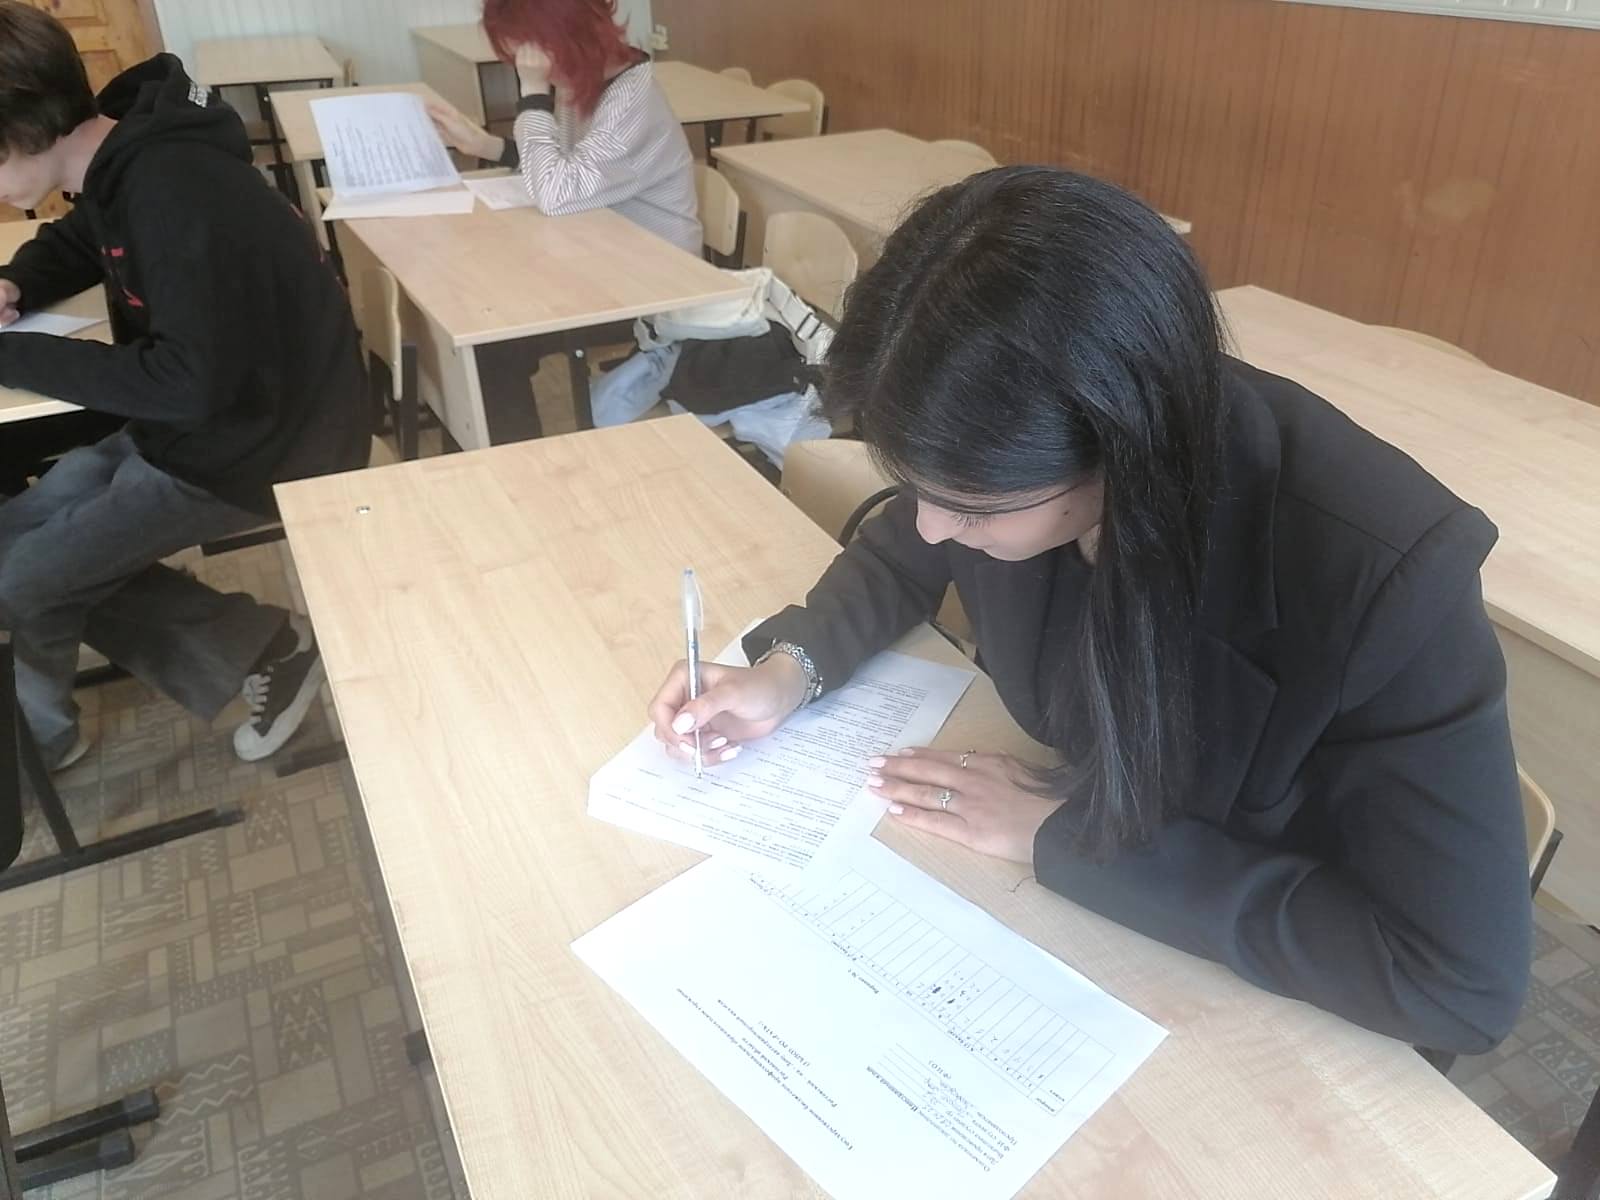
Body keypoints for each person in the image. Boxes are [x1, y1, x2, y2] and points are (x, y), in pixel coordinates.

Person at [647, 166, 1533, 1056]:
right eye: (916, 485)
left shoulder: (1385, 579)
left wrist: (1062, 839)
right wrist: (789, 671)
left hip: (1242, 1003)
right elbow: (905, 547)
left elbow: (1457, 985)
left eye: (972, 508)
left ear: (1119, 449)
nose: (933, 526)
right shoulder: (1010, 450)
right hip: (1077, 939)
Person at [0, 2, 368, 768]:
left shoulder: (172, 187)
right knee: (13, 544)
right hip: (206, 421)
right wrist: (15, 283)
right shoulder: (120, 155)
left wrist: (13, 356)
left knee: (25, 580)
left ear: (25, 132)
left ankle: (266, 649)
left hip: (268, 444)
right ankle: (53, 726)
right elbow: (82, 238)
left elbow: (186, 384)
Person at [427, 0, 700, 441]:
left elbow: (557, 194)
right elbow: (566, 173)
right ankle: (496, 444)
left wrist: (533, 94)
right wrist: (486, 147)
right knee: (479, 304)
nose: (524, 67)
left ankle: (523, 463)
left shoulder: (633, 100)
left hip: (658, 285)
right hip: (601, 256)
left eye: (528, 57)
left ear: (566, 38)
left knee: (494, 341)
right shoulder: (586, 81)